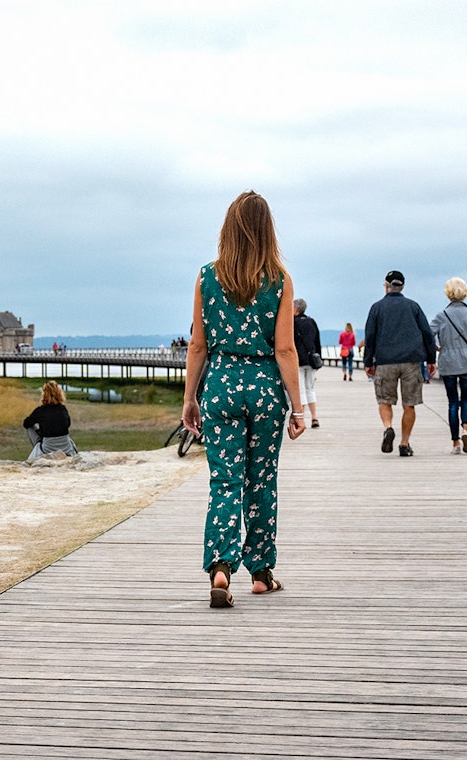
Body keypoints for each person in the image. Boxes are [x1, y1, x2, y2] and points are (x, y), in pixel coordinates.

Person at [181, 191, 306, 609]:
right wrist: (299, 406)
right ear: (267, 231)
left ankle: (220, 568)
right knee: (261, 481)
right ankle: (261, 573)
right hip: (265, 390)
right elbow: (285, 350)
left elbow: (197, 345)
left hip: (219, 387)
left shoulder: (206, 277)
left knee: (225, 481)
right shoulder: (280, 280)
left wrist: (189, 399)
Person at [363, 270, 437, 457]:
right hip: (411, 361)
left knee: (384, 400)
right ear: (402, 286)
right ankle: (404, 443)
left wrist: (368, 362)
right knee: (409, 404)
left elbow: (370, 336)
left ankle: (388, 427)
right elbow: (427, 334)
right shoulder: (414, 307)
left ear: (386, 285)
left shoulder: (377, 308)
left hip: (385, 361)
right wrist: (431, 360)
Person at [431, 277, 467, 454]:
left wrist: (437, 348)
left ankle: (456, 442)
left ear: (448, 293)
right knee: (466, 399)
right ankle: (466, 429)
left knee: (452, 402)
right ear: (465, 292)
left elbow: (427, 335)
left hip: (448, 362)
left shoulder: (441, 316)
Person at [23, 380, 78, 460]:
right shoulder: (63, 409)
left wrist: (40, 429)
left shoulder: (40, 411)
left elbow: (26, 423)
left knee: (30, 427)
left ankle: (37, 450)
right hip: (66, 448)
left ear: (44, 394)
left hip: (47, 449)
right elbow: (68, 424)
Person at [293, 298, 322, 428]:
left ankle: (301, 417)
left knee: (301, 390)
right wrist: (318, 358)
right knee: (310, 388)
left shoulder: (292, 323)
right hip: (311, 360)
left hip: (298, 360)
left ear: (296, 309)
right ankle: (314, 417)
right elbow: (317, 342)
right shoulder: (311, 321)